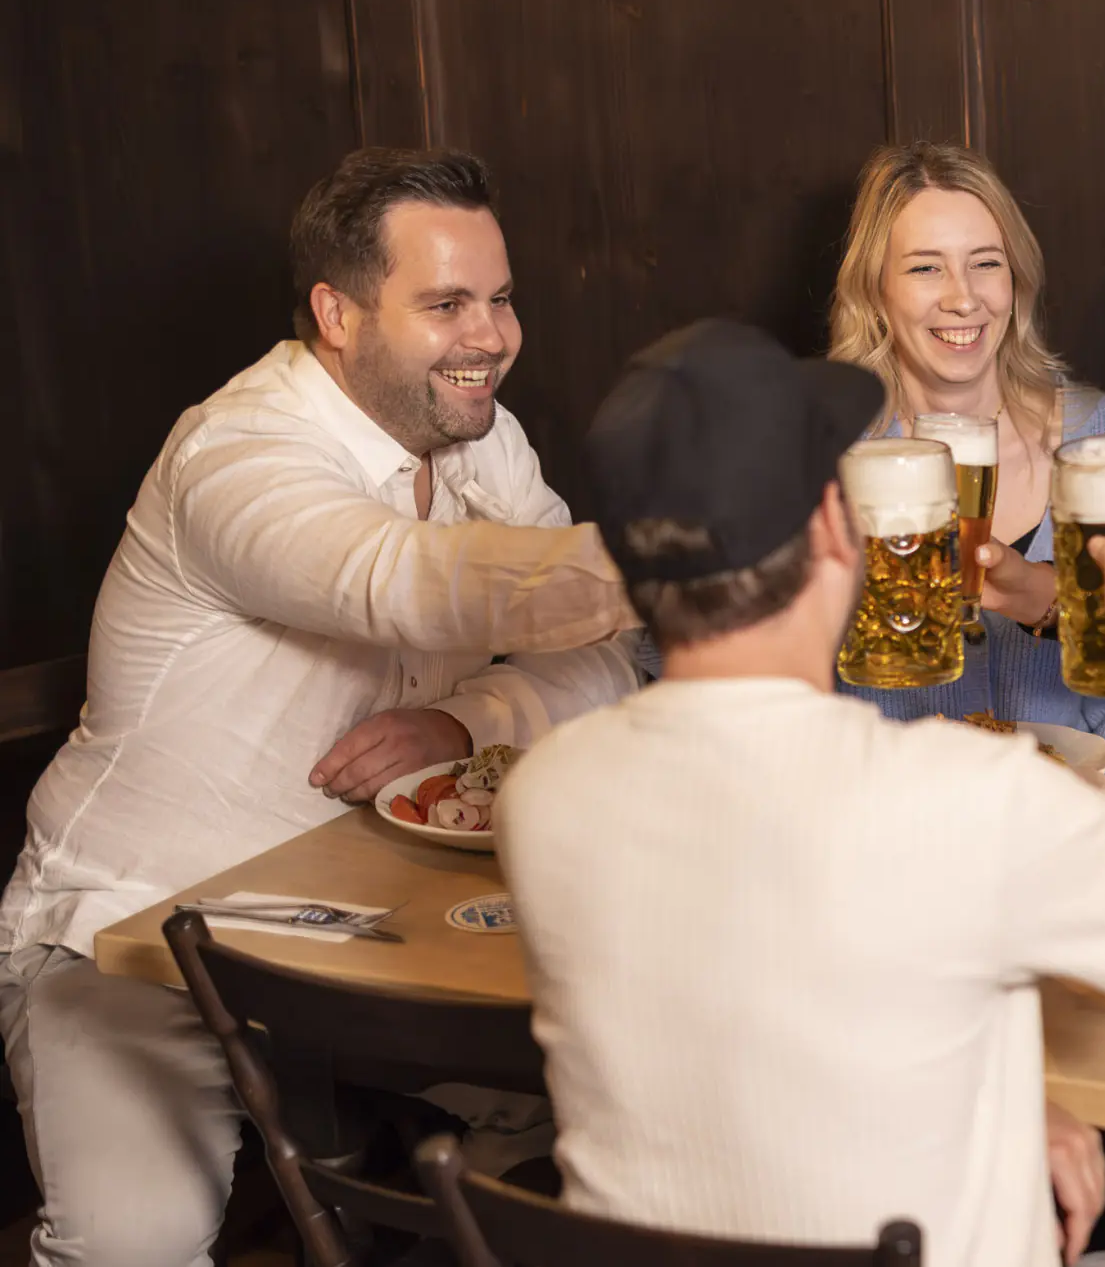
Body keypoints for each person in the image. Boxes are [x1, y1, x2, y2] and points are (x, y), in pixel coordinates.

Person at [504, 321, 1105, 1266]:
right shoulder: (957, 797)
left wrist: (1000, 1099)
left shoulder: (543, 791)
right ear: (841, 530)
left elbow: (745, 1014)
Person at [0, 148, 638, 1266]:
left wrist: (468, 720)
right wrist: (712, 564)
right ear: (335, 314)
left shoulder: (482, 437)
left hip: (371, 941)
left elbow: (606, 658)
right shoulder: (235, 455)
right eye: (445, 304)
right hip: (134, 936)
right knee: (128, 1249)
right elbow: (390, 579)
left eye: (500, 298)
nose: (490, 335)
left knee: (614, 1135)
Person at [826, 141, 1105, 781]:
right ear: (875, 289)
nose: (963, 297)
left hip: (1083, 816)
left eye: (985, 263)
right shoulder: (818, 456)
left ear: (1017, 279)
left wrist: (1048, 603)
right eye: (925, 269)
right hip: (889, 827)